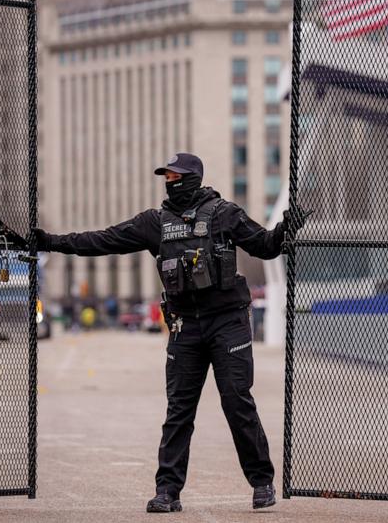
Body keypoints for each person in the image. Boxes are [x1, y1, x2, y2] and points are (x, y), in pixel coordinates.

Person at [28, 153, 308, 512]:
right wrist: (49, 241)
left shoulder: (225, 214)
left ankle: (261, 481)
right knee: (179, 410)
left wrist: (287, 229)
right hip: (185, 325)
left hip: (228, 323)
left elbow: (266, 247)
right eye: (166, 177)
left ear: (193, 178)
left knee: (236, 400)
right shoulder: (154, 223)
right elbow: (101, 240)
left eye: (176, 177)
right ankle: (167, 491)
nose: (169, 183)